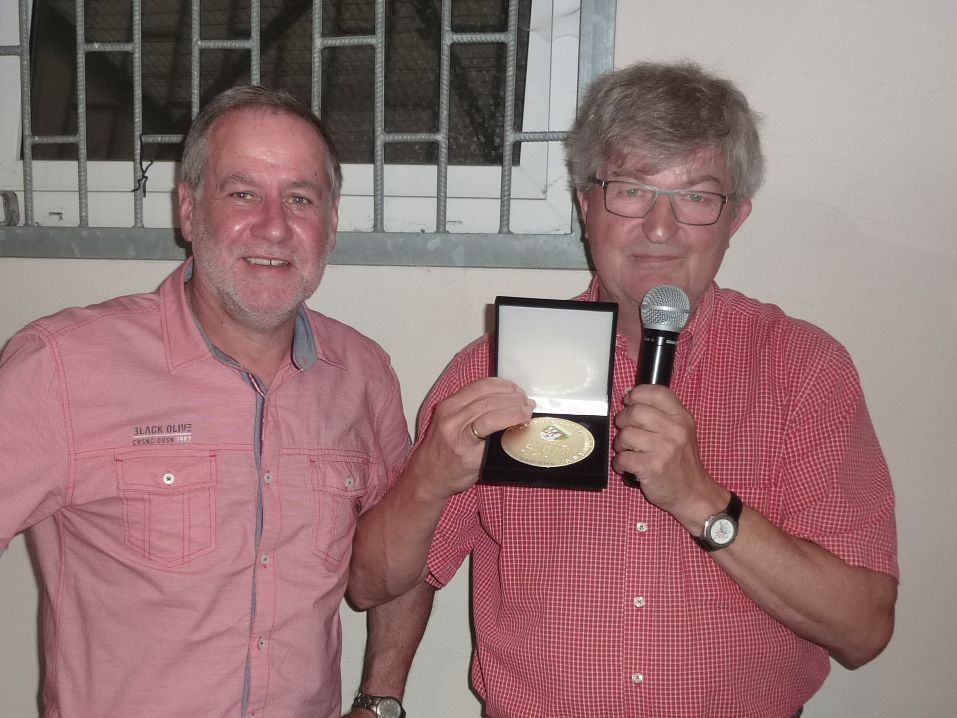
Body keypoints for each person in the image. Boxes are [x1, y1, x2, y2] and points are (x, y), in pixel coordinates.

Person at [344, 62, 898, 718]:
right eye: (630, 191)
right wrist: (425, 483)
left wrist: (700, 500)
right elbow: (376, 582)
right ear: (585, 204)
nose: (659, 229)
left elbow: (862, 631)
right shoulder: (493, 368)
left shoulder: (804, 370)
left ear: (735, 218)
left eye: (694, 196)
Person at [0, 86, 412, 717]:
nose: (275, 226)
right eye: (242, 193)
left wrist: (380, 700)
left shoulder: (362, 374)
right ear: (189, 210)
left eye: (300, 199)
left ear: (330, 225)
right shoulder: (60, 366)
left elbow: (403, 550)